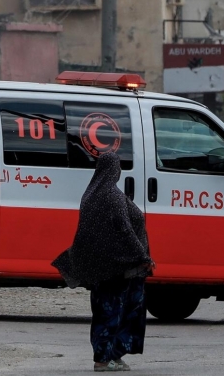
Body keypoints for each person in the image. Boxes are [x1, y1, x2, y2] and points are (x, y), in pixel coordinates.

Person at [52, 152, 155, 372]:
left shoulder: (90, 194)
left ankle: (110, 355)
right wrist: (143, 257)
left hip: (102, 266)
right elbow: (125, 230)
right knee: (118, 310)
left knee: (104, 310)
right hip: (119, 267)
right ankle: (103, 358)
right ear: (114, 170)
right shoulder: (112, 196)